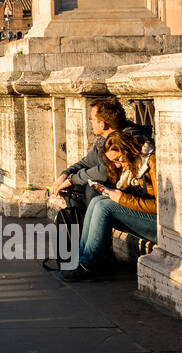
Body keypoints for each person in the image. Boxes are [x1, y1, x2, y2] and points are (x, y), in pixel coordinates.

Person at [61, 130, 157, 282]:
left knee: (104, 208)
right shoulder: (133, 163)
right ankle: (80, 258)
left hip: (158, 224)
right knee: (97, 201)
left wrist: (122, 199)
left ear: (128, 149)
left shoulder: (151, 161)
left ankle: (87, 264)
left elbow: (160, 206)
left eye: (118, 159)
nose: (118, 165)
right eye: (114, 162)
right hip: (145, 215)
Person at [53, 96, 152, 213]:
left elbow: (106, 171)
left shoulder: (128, 138)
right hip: (119, 189)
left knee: (91, 189)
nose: (91, 124)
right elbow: (86, 162)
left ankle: (91, 229)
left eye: (92, 120)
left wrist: (72, 179)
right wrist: (65, 175)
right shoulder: (104, 140)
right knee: (74, 189)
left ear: (102, 124)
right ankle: (80, 229)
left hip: (133, 193)